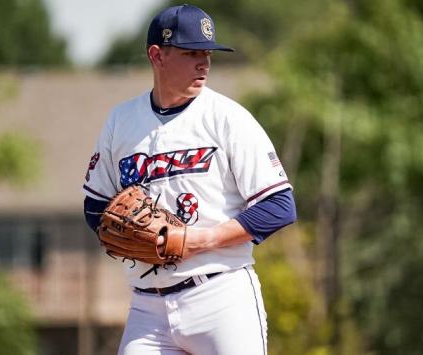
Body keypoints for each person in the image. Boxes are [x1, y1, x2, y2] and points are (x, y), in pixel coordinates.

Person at [82, 4, 296, 355]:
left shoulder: (228, 119)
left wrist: (200, 239)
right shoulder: (121, 121)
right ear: (157, 55)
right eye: (191, 52)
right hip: (147, 306)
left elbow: (279, 207)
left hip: (221, 297)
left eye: (208, 53)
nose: (204, 62)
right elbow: (95, 204)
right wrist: (127, 236)